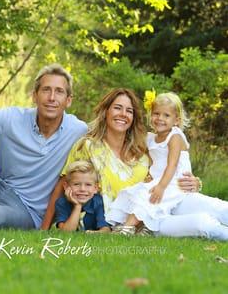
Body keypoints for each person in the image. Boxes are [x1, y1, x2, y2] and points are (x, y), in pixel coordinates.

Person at [43, 88, 228, 240]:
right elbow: (63, 185)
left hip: (169, 198)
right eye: (117, 108)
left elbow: (171, 163)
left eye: (129, 110)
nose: (123, 114)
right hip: (139, 221)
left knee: (220, 208)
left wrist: (195, 182)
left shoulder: (144, 145)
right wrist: (43, 230)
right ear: (106, 111)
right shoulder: (87, 146)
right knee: (204, 223)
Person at [0, 64, 87, 230]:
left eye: (59, 91)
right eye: (46, 90)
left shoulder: (78, 130)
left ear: (68, 100)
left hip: (28, 212)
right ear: (34, 96)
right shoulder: (12, 118)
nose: (52, 97)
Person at [106, 92, 195, 232]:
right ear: (151, 115)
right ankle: (129, 227)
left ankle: (127, 228)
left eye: (166, 115)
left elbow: (172, 165)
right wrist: (149, 175)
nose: (160, 118)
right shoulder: (150, 138)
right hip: (159, 179)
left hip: (174, 181)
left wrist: (161, 186)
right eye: (156, 114)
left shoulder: (175, 136)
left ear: (176, 120)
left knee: (146, 196)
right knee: (133, 192)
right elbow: (151, 160)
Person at [55, 160, 111, 232]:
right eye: (76, 184)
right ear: (66, 186)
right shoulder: (61, 203)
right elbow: (66, 232)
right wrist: (77, 206)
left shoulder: (98, 202)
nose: (82, 189)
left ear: (95, 188)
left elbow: (106, 229)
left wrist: (96, 233)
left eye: (88, 185)